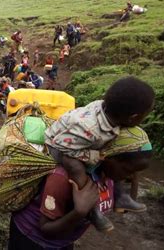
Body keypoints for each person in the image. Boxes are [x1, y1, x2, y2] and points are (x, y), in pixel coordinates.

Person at [9, 126, 153, 249]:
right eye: (129, 170)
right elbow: (45, 229)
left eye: (137, 172)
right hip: (33, 239)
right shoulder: (63, 177)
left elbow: (125, 209)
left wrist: (134, 178)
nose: (131, 176)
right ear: (108, 157)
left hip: (65, 239)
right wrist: (79, 212)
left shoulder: (110, 176)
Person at [45, 77, 155, 232]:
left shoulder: (112, 115)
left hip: (81, 142)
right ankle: (92, 208)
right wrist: (94, 156)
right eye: (145, 115)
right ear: (133, 118)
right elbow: (62, 146)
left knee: (114, 156)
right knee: (74, 165)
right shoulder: (89, 128)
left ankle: (121, 196)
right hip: (59, 147)